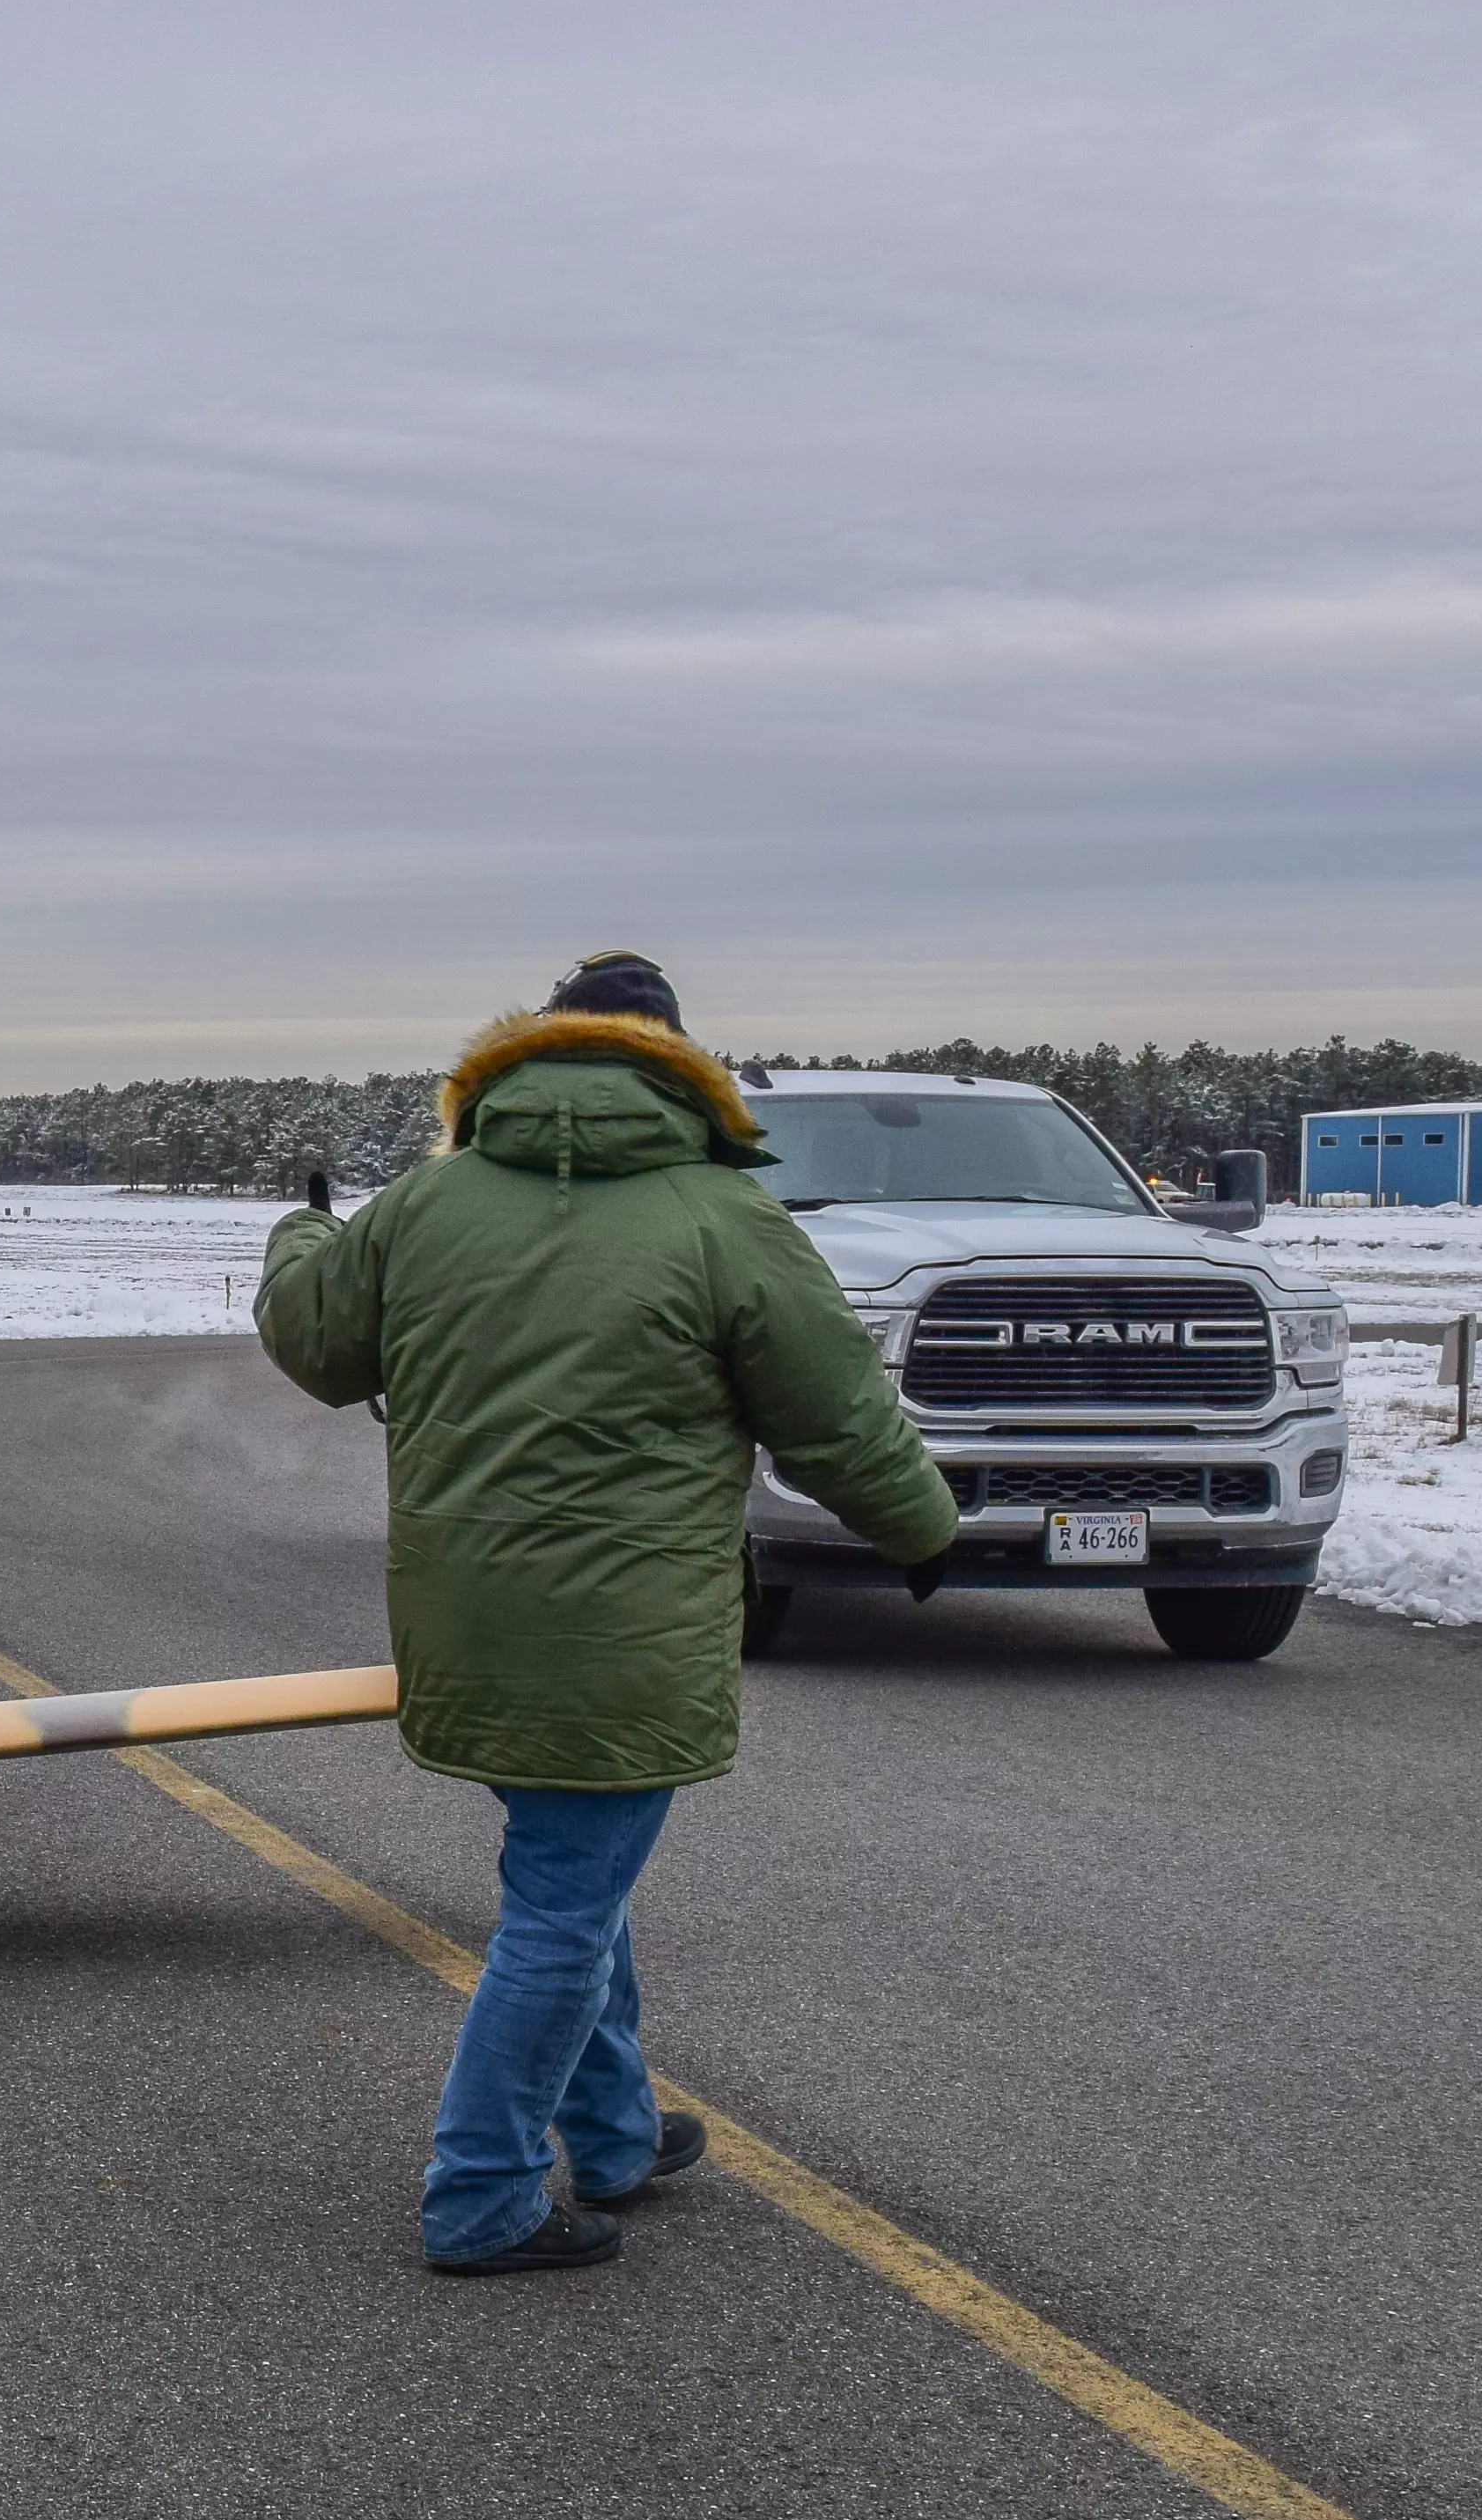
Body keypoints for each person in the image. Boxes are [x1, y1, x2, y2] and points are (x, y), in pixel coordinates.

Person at [254, 953, 957, 2276]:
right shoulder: (725, 1215)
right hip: (628, 1629)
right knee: (564, 1910)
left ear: (535, 1049)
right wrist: (920, 1526)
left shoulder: (428, 1200)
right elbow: (837, 1418)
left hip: (464, 1616)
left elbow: (317, 1342)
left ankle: (617, 2134)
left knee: (574, 1872)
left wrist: (304, 1233)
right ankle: (481, 2196)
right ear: (681, 1065)